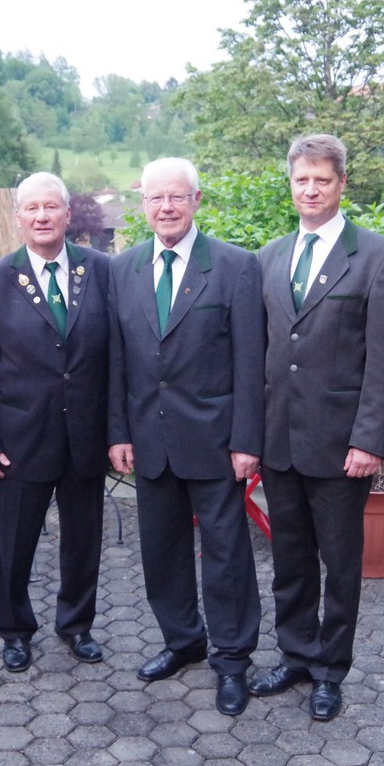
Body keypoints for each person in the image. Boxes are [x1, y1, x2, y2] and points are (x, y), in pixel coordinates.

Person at [250, 134, 384, 721]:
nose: (311, 190)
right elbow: (262, 352)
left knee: (340, 566)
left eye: (322, 180)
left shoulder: (378, 257)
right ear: (290, 185)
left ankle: (328, 671)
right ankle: (295, 655)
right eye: (302, 180)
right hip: (279, 441)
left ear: (342, 184)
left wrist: (369, 439)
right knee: (289, 559)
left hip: (342, 447)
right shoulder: (268, 258)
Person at [108, 157, 264, 717]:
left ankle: (232, 658)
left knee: (226, 554)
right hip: (149, 439)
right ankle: (182, 640)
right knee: (161, 550)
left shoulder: (235, 266)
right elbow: (117, 358)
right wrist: (118, 431)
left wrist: (247, 440)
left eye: (177, 197)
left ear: (197, 201)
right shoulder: (121, 269)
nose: (166, 207)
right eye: (156, 198)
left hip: (216, 441)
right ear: (142, 204)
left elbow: (251, 361)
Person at [0, 172, 110, 672]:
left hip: (86, 434)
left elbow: (115, 356)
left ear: (68, 215)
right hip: (20, 438)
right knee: (15, 542)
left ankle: (77, 624)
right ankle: (14, 630)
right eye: (32, 208)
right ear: (18, 217)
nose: (42, 216)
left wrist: (116, 431)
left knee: (83, 539)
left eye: (51, 207)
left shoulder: (101, 271)